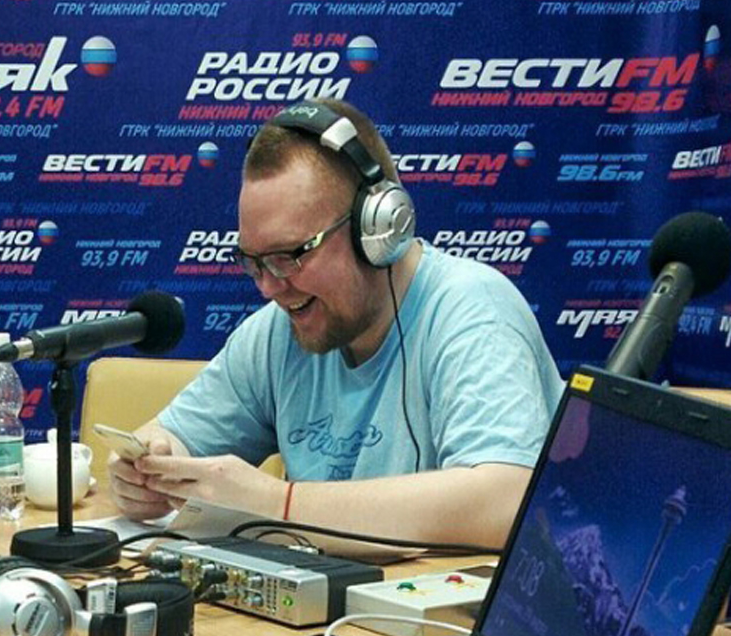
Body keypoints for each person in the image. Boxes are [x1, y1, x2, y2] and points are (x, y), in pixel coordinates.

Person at [109, 98, 562, 551]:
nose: (268, 287)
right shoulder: (279, 331)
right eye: (253, 262)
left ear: (378, 228)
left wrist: (279, 503)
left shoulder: (474, 311)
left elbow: (505, 502)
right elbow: (175, 438)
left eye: (290, 256)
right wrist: (147, 467)